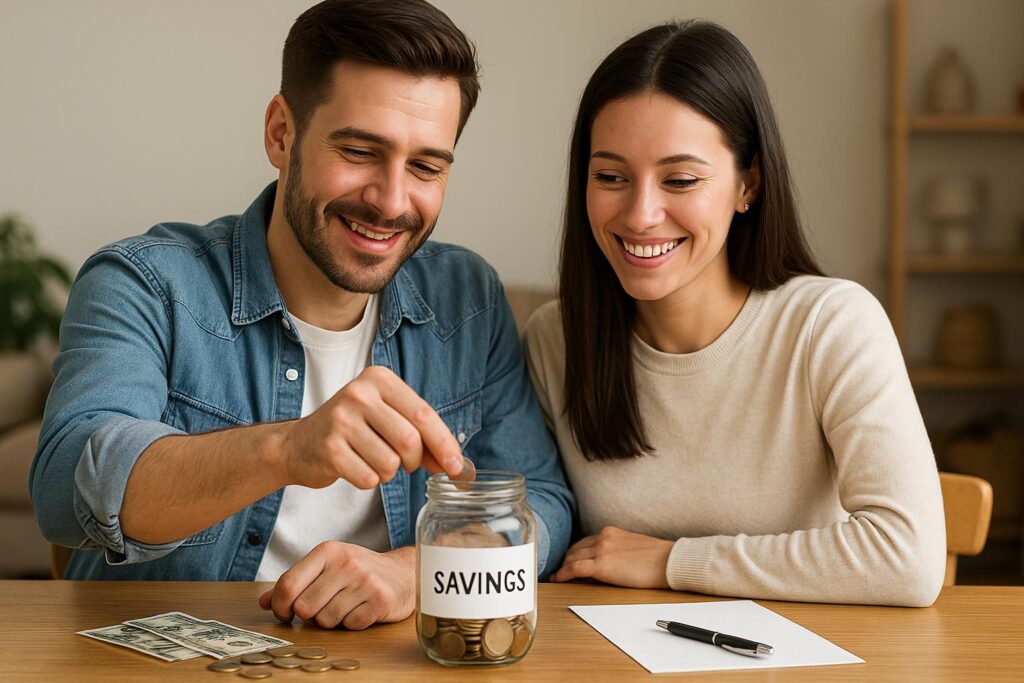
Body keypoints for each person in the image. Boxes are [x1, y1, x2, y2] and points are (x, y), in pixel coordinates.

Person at [31, 0, 573, 630]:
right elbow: (66, 484)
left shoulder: (468, 298)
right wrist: (287, 447)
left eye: (426, 166)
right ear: (281, 133)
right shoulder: (145, 283)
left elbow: (544, 503)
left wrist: (414, 571)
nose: (391, 201)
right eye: (360, 151)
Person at [523, 20, 944, 607]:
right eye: (611, 177)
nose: (641, 214)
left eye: (681, 179)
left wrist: (674, 561)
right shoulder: (554, 339)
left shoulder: (831, 327)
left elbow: (907, 559)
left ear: (748, 185)